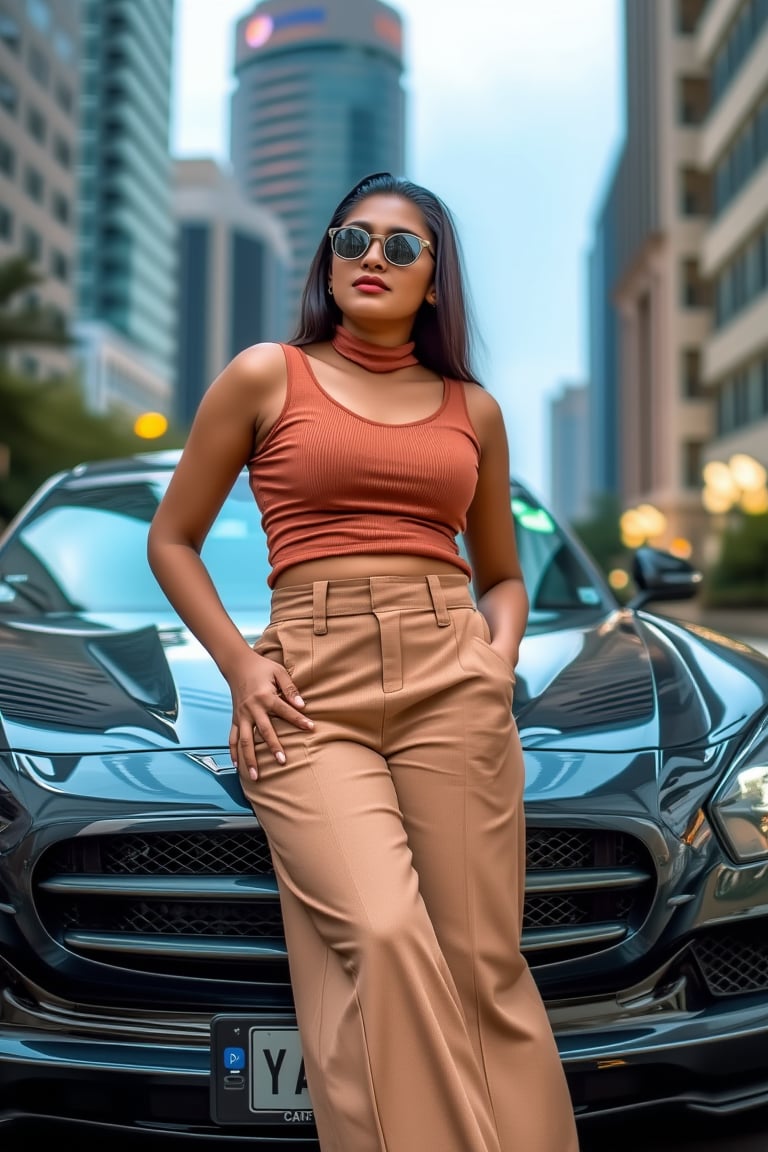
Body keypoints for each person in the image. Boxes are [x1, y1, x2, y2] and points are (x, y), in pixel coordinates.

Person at [147, 171, 580, 1152]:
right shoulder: (268, 375)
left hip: (450, 676)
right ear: (327, 262)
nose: (371, 258)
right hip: (307, 685)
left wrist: (495, 654)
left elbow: (503, 575)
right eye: (352, 241)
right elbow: (172, 539)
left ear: (435, 283)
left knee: (483, 965)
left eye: (400, 246)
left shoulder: (474, 410)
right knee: (383, 935)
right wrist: (241, 668)